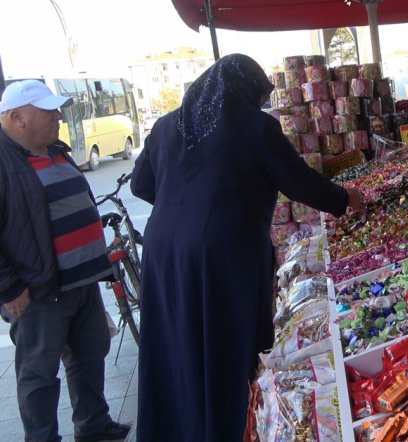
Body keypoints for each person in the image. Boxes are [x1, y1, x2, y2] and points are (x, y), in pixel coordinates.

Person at [130, 54, 365, 441]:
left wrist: (182, 206)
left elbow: (142, 184)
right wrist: (345, 199)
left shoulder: (167, 125)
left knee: (175, 339)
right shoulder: (255, 126)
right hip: (222, 252)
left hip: (162, 251)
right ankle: (225, 428)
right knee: (223, 340)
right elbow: (299, 181)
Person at [0, 80, 131, 442]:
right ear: (16, 117)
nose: (58, 116)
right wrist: (9, 287)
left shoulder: (55, 148)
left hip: (82, 281)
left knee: (90, 355)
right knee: (39, 375)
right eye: (48, 111)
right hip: (38, 292)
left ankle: (94, 426)